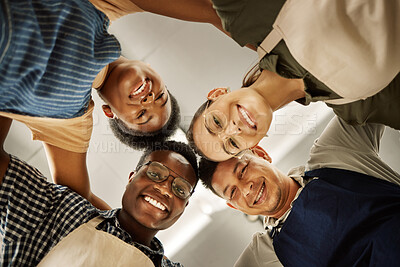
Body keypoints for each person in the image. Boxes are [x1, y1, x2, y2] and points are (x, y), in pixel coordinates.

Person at [133, 0, 400, 161]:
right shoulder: (356, 108)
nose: (233, 129)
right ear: (255, 145)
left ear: (217, 93)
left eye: (216, 123)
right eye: (232, 144)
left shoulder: (246, 14)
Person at [0, 0, 184, 209]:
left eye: (141, 114)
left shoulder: (70, 121)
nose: (149, 100)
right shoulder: (106, 6)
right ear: (152, 68)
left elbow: (79, 197)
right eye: (161, 97)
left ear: (109, 113)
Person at [198, 116, 400, 266]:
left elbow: (371, 92)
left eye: (242, 170)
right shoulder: (263, 256)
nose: (246, 189)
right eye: (233, 192)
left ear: (261, 154)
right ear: (233, 205)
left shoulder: (335, 152)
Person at [0, 137, 198, 266]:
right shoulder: (62, 208)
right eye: (155, 173)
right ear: (131, 178)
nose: (164, 189)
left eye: (180, 189)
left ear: (184, 208)